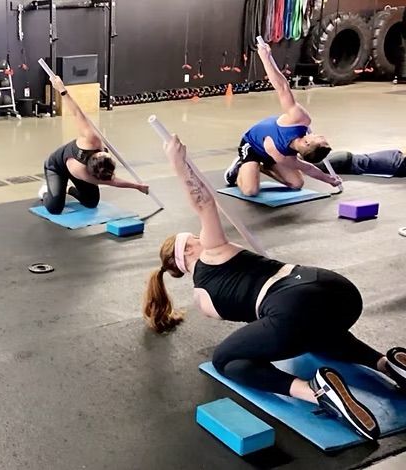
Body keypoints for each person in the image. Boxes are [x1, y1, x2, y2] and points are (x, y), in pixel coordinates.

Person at [145, 134, 406, 441]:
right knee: (316, 333)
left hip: (292, 308)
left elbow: (264, 331)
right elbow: (204, 204)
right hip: (340, 292)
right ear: (187, 251)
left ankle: (315, 390)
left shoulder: (203, 300)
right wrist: (178, 164)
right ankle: (384, 363)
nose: (201, 238)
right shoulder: (213, 252)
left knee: (226, 360)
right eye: (194, 238)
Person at [224, 40, 341, 196]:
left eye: (319, 139)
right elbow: (282, 87)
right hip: (252, 145)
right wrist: (265, 57)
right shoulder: (299, 119)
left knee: (297, 184)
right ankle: (241, 168)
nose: (319, 135)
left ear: (306, 143)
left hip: (272, 155)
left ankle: (262, 167)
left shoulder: (285, 158)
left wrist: (329, 180)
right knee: (251, 191)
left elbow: (308, 168)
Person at [38, 75, 149, 215]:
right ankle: (45, 192)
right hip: (56, 167)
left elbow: (113, 181)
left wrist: (138, 187)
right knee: (55, 208)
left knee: (91, 202)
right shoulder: (84, 168)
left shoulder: (95, 142)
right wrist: (62, 90)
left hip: (77, 166)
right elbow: (76, 113)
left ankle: (67, 189)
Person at [314, 148, 406, 177]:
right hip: (344, 162)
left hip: (345, 160)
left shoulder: (397, 159)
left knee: (304, 160)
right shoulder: (399, 165)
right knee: (304, 162)